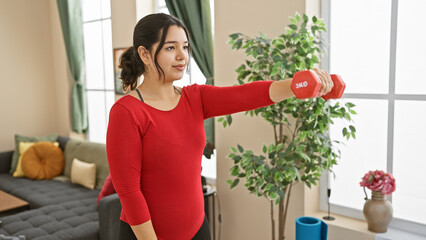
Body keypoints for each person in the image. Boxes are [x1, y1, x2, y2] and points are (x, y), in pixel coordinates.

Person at [106, 13, 333, 240]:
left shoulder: (195, 97)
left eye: (185, 47)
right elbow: (129, 191)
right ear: (144, 54)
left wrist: (297, 85)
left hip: (197, 229)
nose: (181, 56)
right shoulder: (126, 112)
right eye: (170, 48)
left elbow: (246, 95)